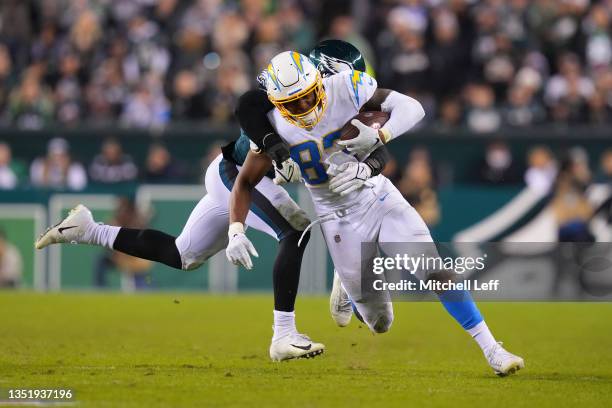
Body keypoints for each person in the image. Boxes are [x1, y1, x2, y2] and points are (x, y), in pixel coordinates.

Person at [35, 40, 375, 362]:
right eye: (347, 78)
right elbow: (248, 104)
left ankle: (87, 230)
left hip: (233, 175)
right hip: (236, 176)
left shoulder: (330, 111)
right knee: (296, 230)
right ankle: (283, 335)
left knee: (183, 255)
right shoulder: (291, 93)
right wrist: (274, 146)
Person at [227, 50, 524, 376]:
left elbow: (413, 108)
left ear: (319, 84)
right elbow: (244, 183)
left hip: (379, 198)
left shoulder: (345, 88)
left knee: (433, 268)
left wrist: (378, 143)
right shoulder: (270, 126)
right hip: (337, 218)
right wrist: (236, 230)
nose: (305, 109)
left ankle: (493, 349)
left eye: (308, 97)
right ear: (276, 103)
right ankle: (350, 290)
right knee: (380, 322)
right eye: (293, 103)